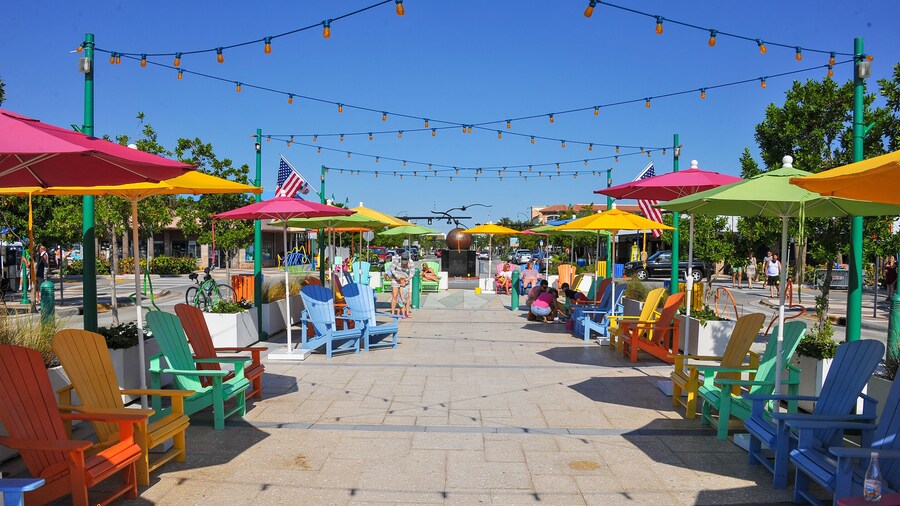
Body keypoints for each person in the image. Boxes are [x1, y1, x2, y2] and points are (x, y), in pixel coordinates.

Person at [389, 251, 413, 318]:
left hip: (405, 280)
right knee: (395, 295)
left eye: (406, 260)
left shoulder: (411, 262)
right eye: (403, 260)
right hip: (396, 279)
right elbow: (392, 268)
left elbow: (412, 273)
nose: (404, 262)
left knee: (407, 297)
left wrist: (407, 279)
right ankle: (393, 313)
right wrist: (397, 276)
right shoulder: (397, 260)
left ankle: (407, 313)